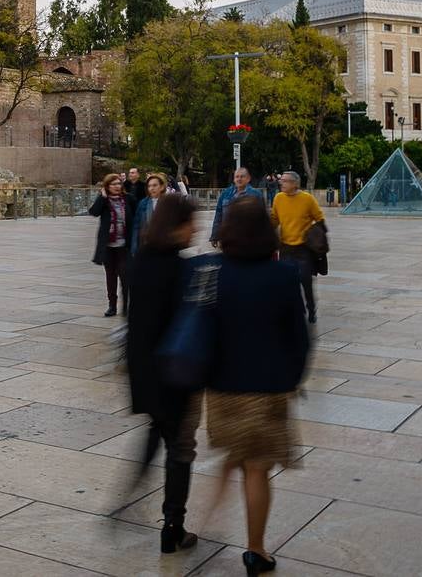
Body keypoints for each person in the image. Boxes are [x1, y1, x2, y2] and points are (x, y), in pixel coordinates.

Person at [209, 197, 311, 575]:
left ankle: (211, 510)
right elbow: (300, 339)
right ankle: (255, 550)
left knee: (238, 457)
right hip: (267, 389)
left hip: (222, 388)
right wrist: (292, 378)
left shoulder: (213, 272)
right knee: (257, 469)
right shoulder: (283, 275)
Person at [124, 194, 202, 554]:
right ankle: (173, 526)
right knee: (180, 448)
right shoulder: (180, 269)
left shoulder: (140, 261)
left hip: (144, 371)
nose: (194, 230)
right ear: (176, 226)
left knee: (161, 435)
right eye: (190, 223)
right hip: (175, 375)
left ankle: (129, 496)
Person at [270, 171, 323, 324]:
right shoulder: (278, 198)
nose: (281, 183)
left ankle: (311, 308)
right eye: (281, 180)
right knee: (287, 281)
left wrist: (317, 239)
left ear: (295, 184)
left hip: (303, 248)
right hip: (285, 248)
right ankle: (297, 309)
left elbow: (319, 218)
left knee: (305, 280)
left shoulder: (307, 199)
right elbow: (274, 219)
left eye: (285, 181)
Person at [89, 172, 133, 317]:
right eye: (113, 184)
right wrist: (102, 197)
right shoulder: (104, 201)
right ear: (107, 186)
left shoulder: (128, 199)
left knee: (125, 276)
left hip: (124, 245)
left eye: (119, 183)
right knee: (111, 277)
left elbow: (135, 216)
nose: (117, 186)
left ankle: (126, 306)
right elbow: (94, 212)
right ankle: (112, 305)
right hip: (108, 245)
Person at [211, 167, 263, 244]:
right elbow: (218, 215)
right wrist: (215, 236)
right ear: (234, 179)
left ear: (248, 178)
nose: (239, 179)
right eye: (237, 177)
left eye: (242, 176)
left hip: (250, 238)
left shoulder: (256, 194)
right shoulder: (225, 193)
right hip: (228, 237)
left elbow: (262, 218)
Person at [131, 173, 166, 256]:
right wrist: (134, 246)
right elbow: (136, 226)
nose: (151, 188)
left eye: (154, 185)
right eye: (149, 186)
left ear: (162, 187)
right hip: (146, 244)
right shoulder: (143, 203)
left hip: (164, 246)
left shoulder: (169, 202)